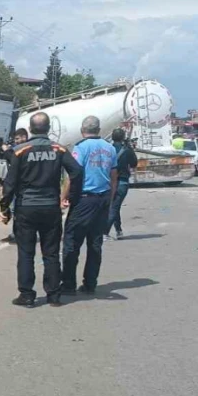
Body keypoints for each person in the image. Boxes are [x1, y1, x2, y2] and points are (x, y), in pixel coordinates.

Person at [0, 113, 83, 307]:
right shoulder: (59, 149)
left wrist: (5, 207)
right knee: (51, 253)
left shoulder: (20, 151)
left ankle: (27, 295)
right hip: (50, 207)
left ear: (30, 128)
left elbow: (9, 183)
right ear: (48, 128)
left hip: (26, 207)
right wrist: (71, 197)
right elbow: (77, 171)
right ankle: (54, 295)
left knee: (26, 253)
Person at [61, 116, 118, 295]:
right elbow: (114, 175)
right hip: (102, 198)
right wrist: (111, 197)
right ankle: (90, 283)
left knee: (71, 242)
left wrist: (64, 196)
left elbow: (74, 175)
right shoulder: (110, 148)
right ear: (99, 129)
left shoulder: (81, 148)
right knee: (95, 243)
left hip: (84, 199)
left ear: (82, 130)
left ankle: (69, 284)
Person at [106, 128, 139, 240]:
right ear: (123, 137)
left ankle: (118, 230)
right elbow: (134, 163)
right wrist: (129, 147)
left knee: (115, 206)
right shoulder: (127, 150)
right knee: (114, 207)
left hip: (108, 182)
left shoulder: (107, 148)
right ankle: (104, 232)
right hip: (122, 182)